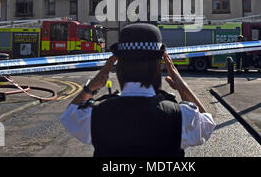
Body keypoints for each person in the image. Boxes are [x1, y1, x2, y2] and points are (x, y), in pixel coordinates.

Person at [60, 23, 216, 157]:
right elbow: (208, 124)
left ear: (119, 68)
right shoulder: (182, 116)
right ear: (157, 68)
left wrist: (91, 86)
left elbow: (69, 116)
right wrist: (182, 85)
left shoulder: (96, 114)